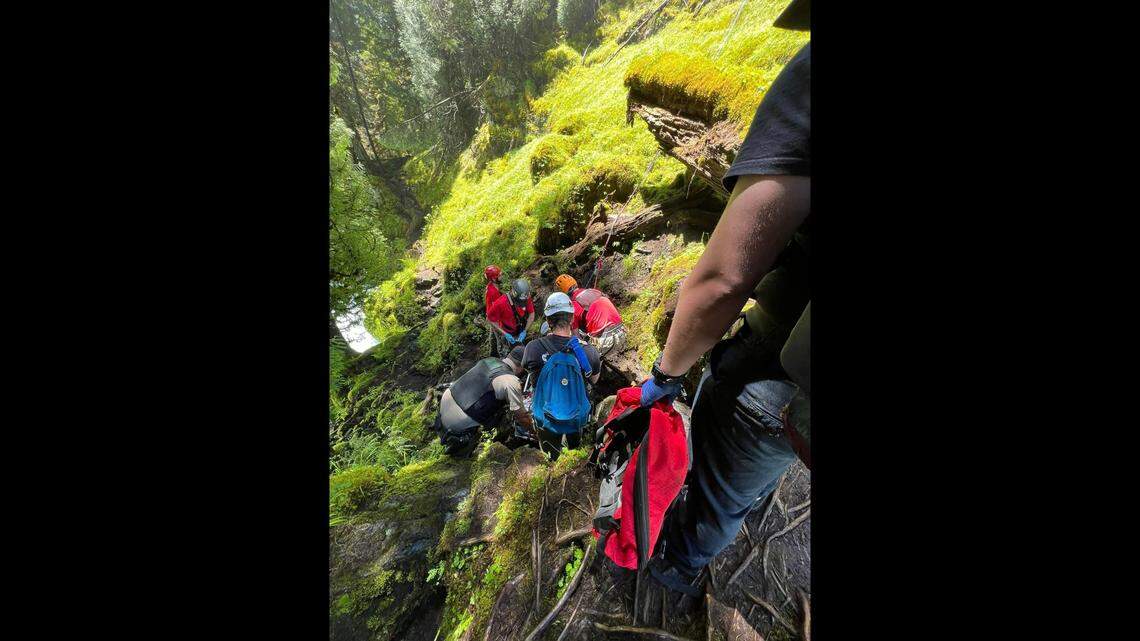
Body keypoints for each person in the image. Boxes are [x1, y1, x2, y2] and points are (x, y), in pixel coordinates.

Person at [638, 0, 812, 600]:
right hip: (803, 392)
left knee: (721, 485)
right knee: (762, 464)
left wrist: (665, 375)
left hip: (771, 377)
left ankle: (674, 569)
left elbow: (722, 283)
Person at [523, 292, 601, 461]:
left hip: (546, 417)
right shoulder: (588, 351)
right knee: (575, 455)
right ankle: (573, 458)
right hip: (576, 418)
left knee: (550, 457)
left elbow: (527, 371)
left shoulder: (532, 348)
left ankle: (552, 464)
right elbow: (594, 380)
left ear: (548, 321)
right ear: (572, 318)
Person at [433, 345, 532, 457]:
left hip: (445, 405)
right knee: (508, 410)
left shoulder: (489, 360)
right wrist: (534, 431)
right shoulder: (510, 381)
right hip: (459, 423)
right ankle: (463, 451)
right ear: (523, 366)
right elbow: (521, 416)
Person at [554, 274, 628, 358]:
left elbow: (577, 338)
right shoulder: (594, 291)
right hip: (622, 331)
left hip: (606, 340)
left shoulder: (572, 306)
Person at [487, 278, 535, 355]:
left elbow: (531, 314)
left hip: (520, 329)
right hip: (505, 331)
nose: (521, 304)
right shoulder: (500, 303)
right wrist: (504, 333)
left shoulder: (526, 297)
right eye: (519, 302)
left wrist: (525, 331)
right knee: (506, 354)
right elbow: (490, 319)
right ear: (513, 294)